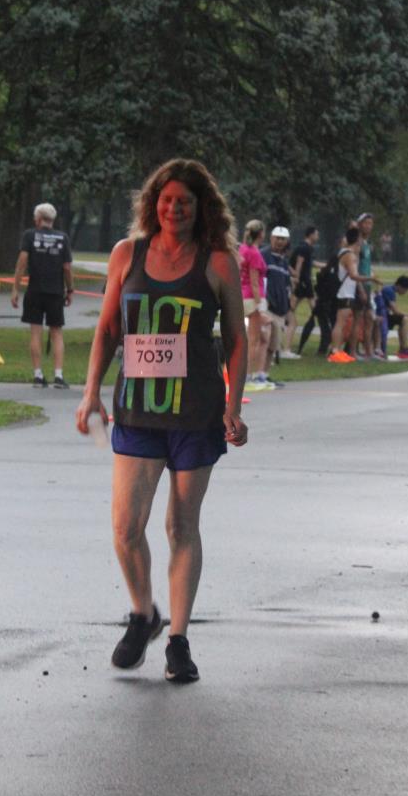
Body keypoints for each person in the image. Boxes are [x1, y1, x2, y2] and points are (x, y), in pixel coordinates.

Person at [75, 158, 248, 684]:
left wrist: (234, 405)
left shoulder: (217, 262)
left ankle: (178, 639)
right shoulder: (126, 255)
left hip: (196, 413)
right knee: (126, 527)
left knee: (181, 526)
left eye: (185, 202)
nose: (175, 209)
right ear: (154, 204)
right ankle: (142, 613)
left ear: (201, 208)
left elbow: (237, 340)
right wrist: (91, 393)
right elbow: (108, 330)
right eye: (167, 200)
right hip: (137, 411)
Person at [11, 202, 73, 388]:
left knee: (35, 332)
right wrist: (70, 289)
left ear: (38, 219)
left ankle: (38, 375)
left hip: (35, 290)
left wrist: (15, 288)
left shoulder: (29, 235)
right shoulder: (63, 238)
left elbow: (22, 263)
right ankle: (59, 376)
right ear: (52, 219)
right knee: (57, 333)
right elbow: (67, 268)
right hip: (55, 291)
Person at [239, 219, 273, 390]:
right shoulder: (253, 253)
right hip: (253, 298)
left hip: (245, 296)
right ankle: (247, 376)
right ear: (261, 234)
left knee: (262, 337)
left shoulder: (243, 249)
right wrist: (260, 307)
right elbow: (254, 281)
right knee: (254, 340)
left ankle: (257, 374)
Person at [328, 225, 366, 362]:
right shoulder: (349, 255)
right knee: (340, 323)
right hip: (344, 292)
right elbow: (353, 275)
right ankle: (335, 352)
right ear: (357, 239)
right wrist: (371, 278)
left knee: (342, 323)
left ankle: (337, 350)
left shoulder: (345, 252)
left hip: (345, 292)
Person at [283, 224, 319, 357]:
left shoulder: (308, 248)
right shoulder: (304, 248)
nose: (318, 237)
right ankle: (285, 347)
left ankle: (285, 322)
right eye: (316, 234)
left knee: (291, 310)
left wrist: (326, 266)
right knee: (313, 309)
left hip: (304, 282)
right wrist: (297, 278)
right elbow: (299, 263)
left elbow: (311, 263)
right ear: (311, 234)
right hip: (303, 282)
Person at [261, 226, 292, 368]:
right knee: (264, 340)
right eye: (277, 238)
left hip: (280, 308)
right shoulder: (264, 255)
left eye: (283, 239)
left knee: (273, 345)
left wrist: (287, 306)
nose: (280, 242)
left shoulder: (283, 261)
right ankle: (258, 371)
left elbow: (286, 285)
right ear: (271, 238)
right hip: (267, 305)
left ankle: (264, 373)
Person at [374, 276, 408, 359]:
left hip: (385, 316)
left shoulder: (390, 291)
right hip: (382, 317)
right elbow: (396, 312)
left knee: (403, 319)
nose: (405, 292)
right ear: (399, 286)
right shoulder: (389, 291)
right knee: (404, 319)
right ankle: (403, 349)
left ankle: (403, 348)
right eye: (405, 289)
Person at [350, 212, 375, 358]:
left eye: (370, 223)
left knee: (370, 317)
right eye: (365, 223)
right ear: (360, 225)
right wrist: (360, 289)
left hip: (367, 284)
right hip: (359, 285)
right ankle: (353, 351)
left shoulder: (366, 243)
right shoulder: (358, 244)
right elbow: (355, 267)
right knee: (357, 319)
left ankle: (369, 352)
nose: (368, 226)